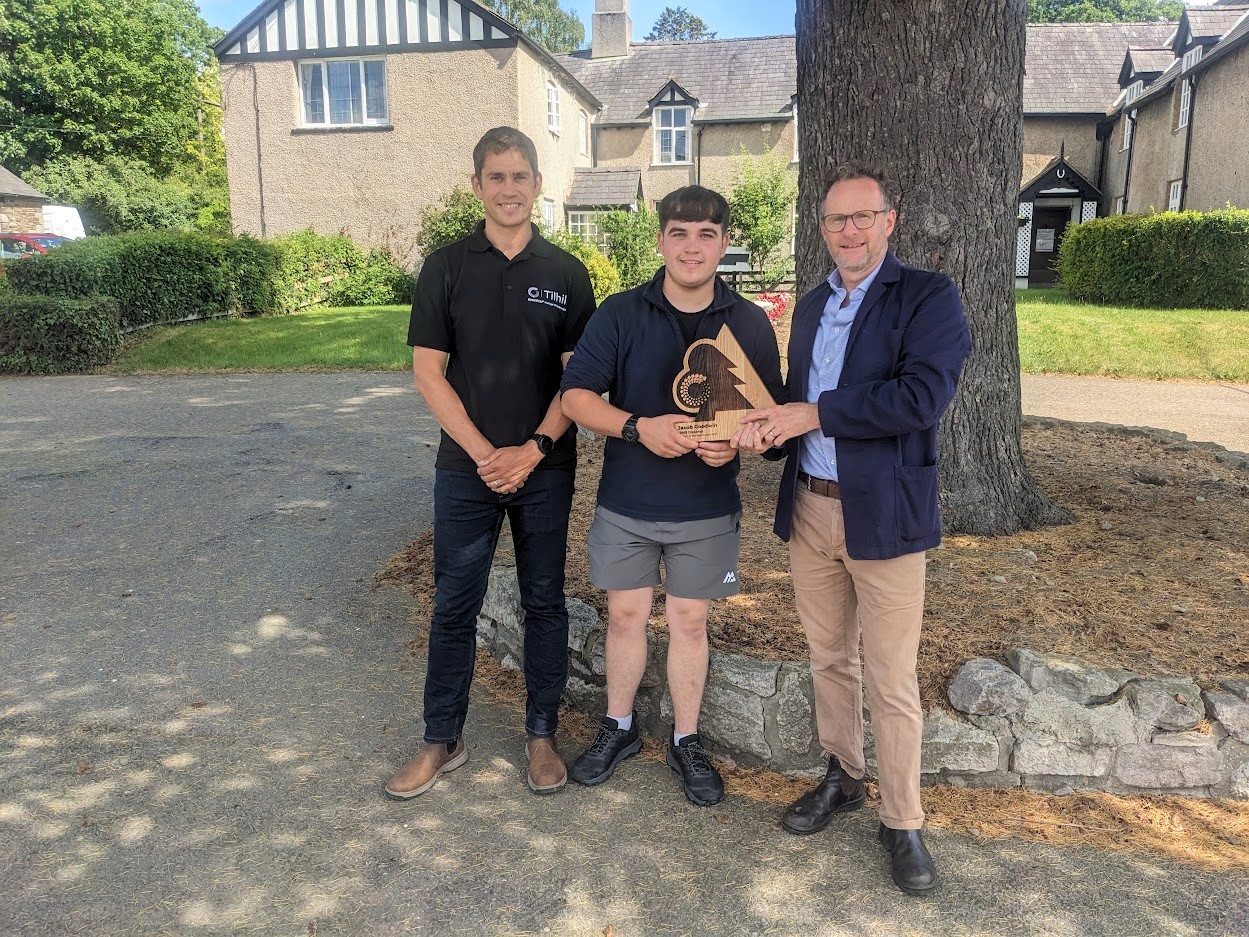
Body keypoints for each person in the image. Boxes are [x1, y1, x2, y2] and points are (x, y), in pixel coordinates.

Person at [733, 165, 971, 893]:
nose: (849, 231)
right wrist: (762, 428)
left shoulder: (928, 296)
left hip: (885, 515)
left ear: (888, 220)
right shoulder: (809, 306)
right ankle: (844, 773)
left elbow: (919, 396)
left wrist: (814, 412)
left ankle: (902, 819)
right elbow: (793, 403)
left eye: (862, 217)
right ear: (824, 228)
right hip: (807, 505)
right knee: (828, 656)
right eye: (836, 219)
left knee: (892, 677)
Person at [385, 127, 595, 800]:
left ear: (538, 185)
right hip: (465, 471)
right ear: (475, 185)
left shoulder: (566, 273)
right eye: (495, 177)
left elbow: (578, 384)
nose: (508, 188)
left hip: (545, 466)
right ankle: (441, 738)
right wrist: (486, 456)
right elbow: (427, 373)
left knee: (543, 603)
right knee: (453, 604)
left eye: (519, 176)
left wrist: (531, 450)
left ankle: (540, 735)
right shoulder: (446, 267)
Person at [560, 185, 783, 807]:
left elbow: (770, 418)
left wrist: (736, 443)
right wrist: (638, 427)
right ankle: (620, 727)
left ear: (724, 243)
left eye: (706, 234)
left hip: (706, 509)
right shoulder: (620, 313)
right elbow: (575, 398)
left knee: (689, 623)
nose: (692, 247)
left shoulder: (747, 322)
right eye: (679, 233)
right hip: (627, 503)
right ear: (660, 240)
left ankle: (686, 740)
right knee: (626, 617)